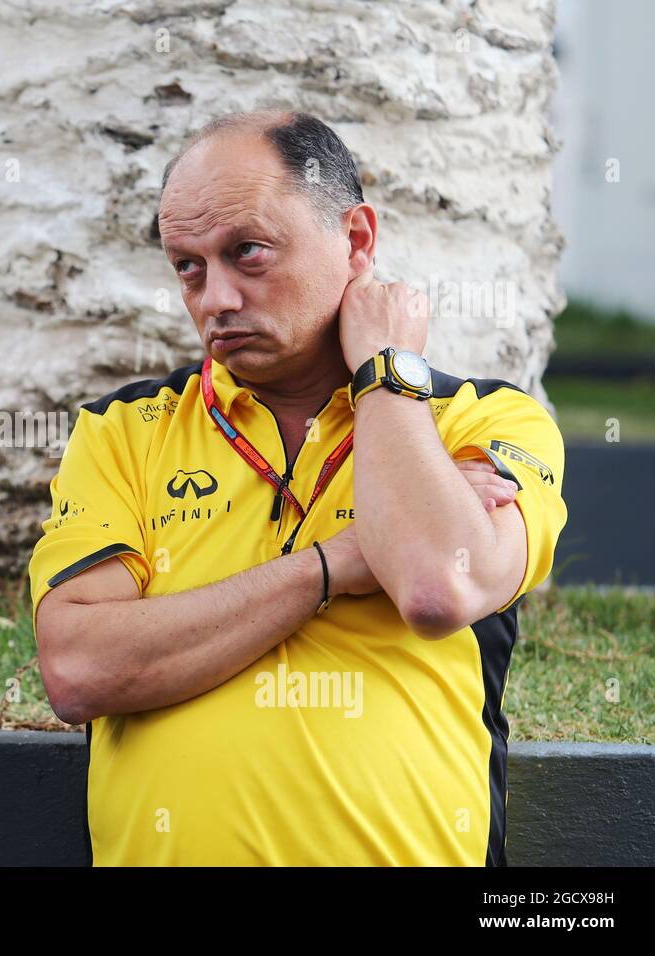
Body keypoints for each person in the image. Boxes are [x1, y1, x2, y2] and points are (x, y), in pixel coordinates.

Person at [29, 112, 567, 866]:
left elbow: (440, 586)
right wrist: (338, 563)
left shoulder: (483, 419)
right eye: (188, 266)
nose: (215, 298)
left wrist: (384, 374)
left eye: (247, 252)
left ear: (356, 241)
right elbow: (80, 668)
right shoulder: (126, 429)